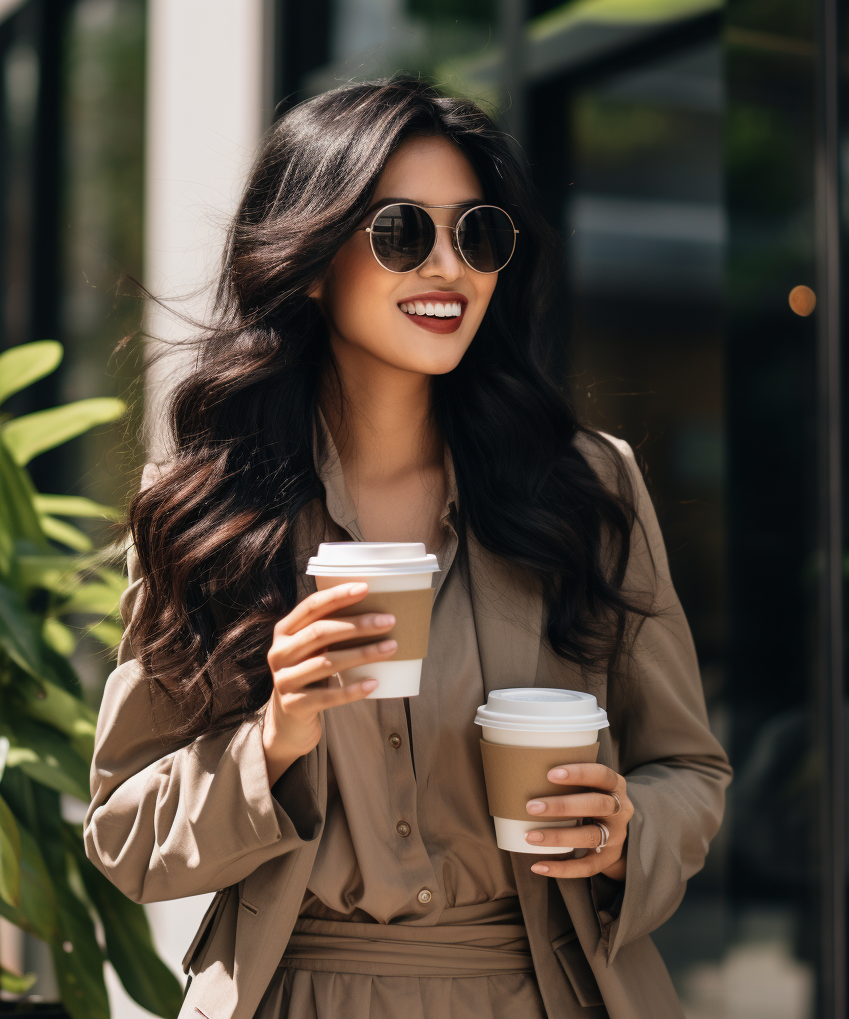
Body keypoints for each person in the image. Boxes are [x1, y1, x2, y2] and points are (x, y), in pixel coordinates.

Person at [83, 77, 731, 1019]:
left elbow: (689, 770)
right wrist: (273, 739)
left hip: (546, 993)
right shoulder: (209, 512)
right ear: (309, 260)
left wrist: (627, 831)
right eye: (401, 234)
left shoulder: (589, 486)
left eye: (478, 235)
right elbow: (124, 831)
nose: (449, 268)